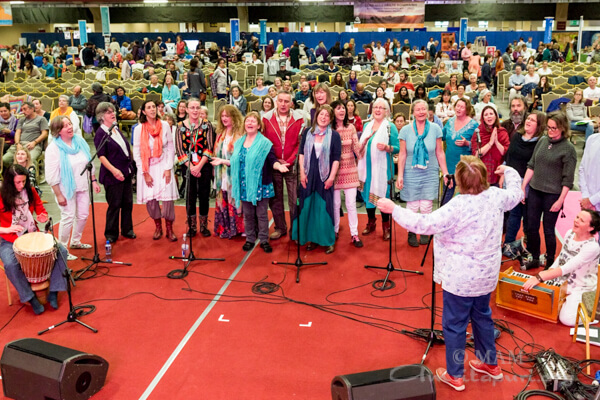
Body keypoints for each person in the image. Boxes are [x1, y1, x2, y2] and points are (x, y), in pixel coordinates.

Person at [377, 157, 522, 392]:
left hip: (460, 279)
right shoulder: (496, 196)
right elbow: (516, 193)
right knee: (482, 317)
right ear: (484, 178)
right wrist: (509, 169)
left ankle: (455, 375)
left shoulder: (457, 206)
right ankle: (490, 364)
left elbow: (424, 224)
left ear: (460, 182)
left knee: (454, 324)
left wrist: (394, 209)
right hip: (486, 276)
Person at [0, 165, 69, 314]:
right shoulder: (1, 195)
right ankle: (30, 298)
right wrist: (6, 229)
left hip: (32, 234)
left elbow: (40, 208)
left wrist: (42, 215)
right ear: (9, 182)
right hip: (8, 239)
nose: (21, 185)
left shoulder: (30, 191)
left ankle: (54, 291)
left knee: (62, 251)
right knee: (10, 264)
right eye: (17, 182)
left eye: (23, 181)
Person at [523, 209, 600, 326]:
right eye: (577, 217)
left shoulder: (592, 247)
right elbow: (561, 257)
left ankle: (593, 314)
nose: (576, 221)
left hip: (580, 287)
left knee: (566, 319)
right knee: (539, 301)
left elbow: (567, 268)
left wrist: (539, 277)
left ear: (590, 228)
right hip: (561, 281)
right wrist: (550, 270)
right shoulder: (570, 233)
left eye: (582, 220)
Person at [522, 112, 577, 270]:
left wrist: (560, 200)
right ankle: (534, 257)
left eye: (554, 128)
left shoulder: (568, 149)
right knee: (531, 226)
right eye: (548, 127)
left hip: (553, 195)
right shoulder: (542, 140)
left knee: (548, 229)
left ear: (563, 128)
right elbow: (532, 165)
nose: (550, 131)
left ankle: (550, 261)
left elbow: (568, 180)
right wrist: (523, 186)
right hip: (535, 190)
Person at [229, 112, 289, 252]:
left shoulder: (265, 143)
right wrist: (222, 161)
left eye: (253, 121)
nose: (249, 123)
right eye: (247, 121)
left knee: (261, 215)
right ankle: (250, 239)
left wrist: (279, 166)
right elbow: (236, 162)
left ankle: (263, 240)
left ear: (259, 126)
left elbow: (272, 161)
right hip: (244, 184)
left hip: (261, 184)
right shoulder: (239, 143)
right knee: (248, 214)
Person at [45, 116, 100, 260]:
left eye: (70, 124)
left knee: (83, 215)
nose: (70, 127)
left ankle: (75, 241)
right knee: (68, 217)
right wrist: (58, 194)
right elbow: (51, 175)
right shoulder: (53, 148)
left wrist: (93, 180)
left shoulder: (79, 141)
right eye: (65, 126)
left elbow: (89, 162)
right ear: (58, 131)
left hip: (82, 184)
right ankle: (62, 249)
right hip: (64, 188)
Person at [397, 99, 450, 246]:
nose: (421, 112)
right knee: (413, 205)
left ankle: (426, 230)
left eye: (423, 109)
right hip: (410, 172)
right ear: (413, 112)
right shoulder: (405, 130)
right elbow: (402, 154)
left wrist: (445, 173)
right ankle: (412, 232)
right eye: (418, 109)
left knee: (427, 205)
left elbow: (440, 152)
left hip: (430, 172)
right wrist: (400, 175)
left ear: (427, 111)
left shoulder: (435, 129)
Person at [292, 105, 341, 254]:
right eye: (321, 114)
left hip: (324, 177)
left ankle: (328, 240)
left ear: (330, 119)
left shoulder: (334, 136)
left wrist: (331, 178)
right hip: (308, 175)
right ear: (316, 116)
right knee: (308, 206)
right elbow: (301, 154)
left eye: (327, 115)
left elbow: (336, 159)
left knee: (324, 208)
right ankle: (312, 238)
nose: (323, 117)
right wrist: (302, 173)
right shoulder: (307, 132)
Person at [133, 100, 179, 242]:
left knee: (168, 199)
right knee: (151, 200)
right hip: (148, 167)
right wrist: (144, 172)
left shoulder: (165, 125)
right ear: (144, 111)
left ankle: (169, 228)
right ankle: (158, 226)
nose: (152, 109)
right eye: (149, 107)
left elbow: (170, 147)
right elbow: (136, 152)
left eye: (154, 107)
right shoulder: (139, 129)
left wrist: (168, 168)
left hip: (164, 164)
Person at [263, 91, 305, 239]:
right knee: (275, 199)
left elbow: (300, 143)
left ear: (291, 103)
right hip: (274, 164)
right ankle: (280, 227)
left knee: (294, 200)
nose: (283, 104)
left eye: (286, 101)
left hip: (291, 165)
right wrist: (274, 160)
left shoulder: (299, 118)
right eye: (280, 100)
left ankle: (295, 230)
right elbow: (264, 142)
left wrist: (290, 160)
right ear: (276, 102)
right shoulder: (266, 118)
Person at [503, 111, 546, 253]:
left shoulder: (541, 142)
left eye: (532, 120)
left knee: (528, 216)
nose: (528, 121)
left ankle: (528, 244)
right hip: (513, 181)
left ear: (539, 125)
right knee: (514, 214)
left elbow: (536, 165)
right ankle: (508, 244)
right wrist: (504, 175)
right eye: (528, 118)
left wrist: (524, 185)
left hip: (530, 184)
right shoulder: (516, 136)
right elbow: (509, 157)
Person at [93, 102, 135, 244]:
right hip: (112, 175)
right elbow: (101, 156)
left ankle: (127, 229)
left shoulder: (115, 128)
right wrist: (114, 171)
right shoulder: (100, 133)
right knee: (115, 204)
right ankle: (111, 233)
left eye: (113, 111)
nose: (113, 114)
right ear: (101, 116)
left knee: (128, 202)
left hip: (126, 172)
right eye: (109, 112)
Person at [358, 98, 399, 241]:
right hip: (366, 169)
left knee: (382, 196)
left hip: (382, 170)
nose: (378, 110)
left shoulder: (390, 127)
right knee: (368, 195)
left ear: (387, 111)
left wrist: (387, 148)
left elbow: (398, 148)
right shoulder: (367, 126)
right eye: (375, 107)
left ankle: (386, 226)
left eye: (381, 108)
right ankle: (371, 222)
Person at [174, 98, 215, 238]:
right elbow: (180, 150)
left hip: (204, 165)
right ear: (186, 109)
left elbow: (209, 147)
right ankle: (192, 226)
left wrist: (199, 166)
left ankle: (204, 226)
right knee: (190, 197)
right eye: (192, 107)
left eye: (197, 107)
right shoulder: (180, 126)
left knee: (204, 196)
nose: (195, 110)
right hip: (188, 166)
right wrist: (192, 167)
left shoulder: (207, 125)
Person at [331, 100, 362, 248]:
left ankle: (354, 234)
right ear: (333, 112)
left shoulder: (351, 127)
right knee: (336, 204)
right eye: (338, 108)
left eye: (343, 108)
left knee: (351, 204)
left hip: (350, 170)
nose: (342, 110)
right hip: (334, 172)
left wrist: (365, 143)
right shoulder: (329, 129)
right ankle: (335, 230)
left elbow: (357, 149)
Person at [210, 105, 245, 239]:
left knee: (235, 200)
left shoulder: (240, 134)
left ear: (234, 117)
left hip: (234, 174)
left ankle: (238, 228)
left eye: (227, 116)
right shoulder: (220, 133)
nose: (224, 118)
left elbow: (241, 157)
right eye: (222, 116)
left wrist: (223, 161)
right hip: (221, 175)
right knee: (222, 199)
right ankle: (225, 228)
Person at [441, 98, 477, 202]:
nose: (459, 109)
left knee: (466, 198)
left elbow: (479, 146)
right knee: (446, 197)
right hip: (449, 165)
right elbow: (441, 137)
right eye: (457, 106)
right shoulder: (449, 121)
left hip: (465, 167)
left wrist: (467, 143)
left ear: (467, 109)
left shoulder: (474, 125)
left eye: (462, 107)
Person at [3, 102, 48, 169]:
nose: (23, 112)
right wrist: (17, 144)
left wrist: (34, 142)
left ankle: (30, 175)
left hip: (33, 145)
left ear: (32, 109)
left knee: (30, 160)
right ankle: (15, 173)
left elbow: (45, 133)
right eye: (22, 110)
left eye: (25, 109)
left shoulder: (41, 119)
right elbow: (17, 132)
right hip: (20, 144)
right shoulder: (22, 120)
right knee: (4, 160)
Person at [580, 133, 600, 212]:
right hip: (587, 203)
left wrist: (592, 201)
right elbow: (582, 168)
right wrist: (585, 196)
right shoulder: (591, 139)